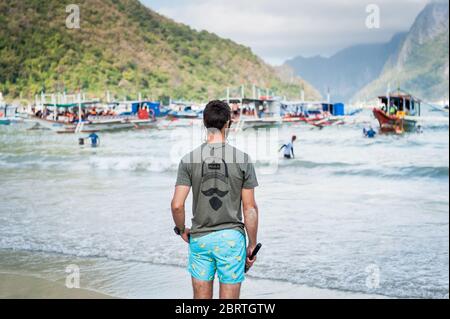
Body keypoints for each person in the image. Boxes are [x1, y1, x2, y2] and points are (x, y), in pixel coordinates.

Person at [171, 100, 259, 299]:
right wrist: (252, 245)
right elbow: (250, 208)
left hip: (200, 238)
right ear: (228, 123)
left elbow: (177, 205)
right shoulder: (243, 159)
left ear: (204, 122)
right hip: (231, 240)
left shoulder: (188, 159)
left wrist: (181, 229)